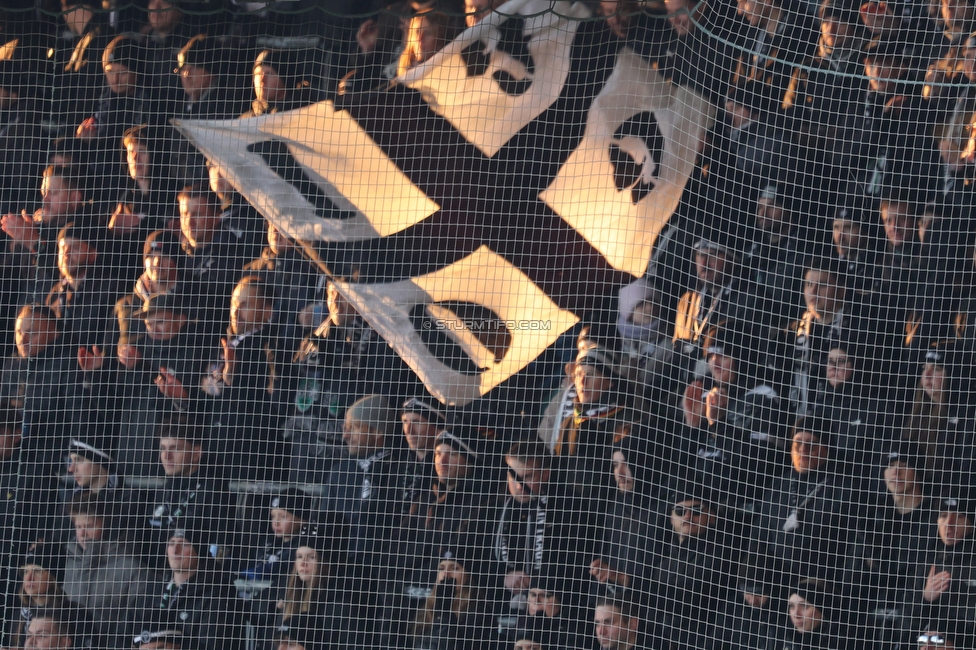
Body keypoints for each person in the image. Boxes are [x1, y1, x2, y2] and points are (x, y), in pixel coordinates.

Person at [320, 394, 407, 648]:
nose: (346, 435)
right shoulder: (338, 473)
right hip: (343, 579)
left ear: (379, 432)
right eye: (345, 428)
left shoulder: (403, 471)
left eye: (354, 428)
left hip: (388, 578)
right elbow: (326, 524)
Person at [131, 526, 243, 650]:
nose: (175, 550)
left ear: (199, 550)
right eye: (171, 543)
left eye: (183, 544)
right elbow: (119, 635)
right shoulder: (151, 589)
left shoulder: (218, 593)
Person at [62, 493, 148, 648]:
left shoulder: (131, 569)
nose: (82, 534)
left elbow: (133, 623)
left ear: (107, 525)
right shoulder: (68, 562)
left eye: (89, 526)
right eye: (78, 526)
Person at [767, 579, 843, 650]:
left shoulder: (840, 642)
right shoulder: (786, 639)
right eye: (792, 606)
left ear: (824, 610)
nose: (796, 614)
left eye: (804, 606)